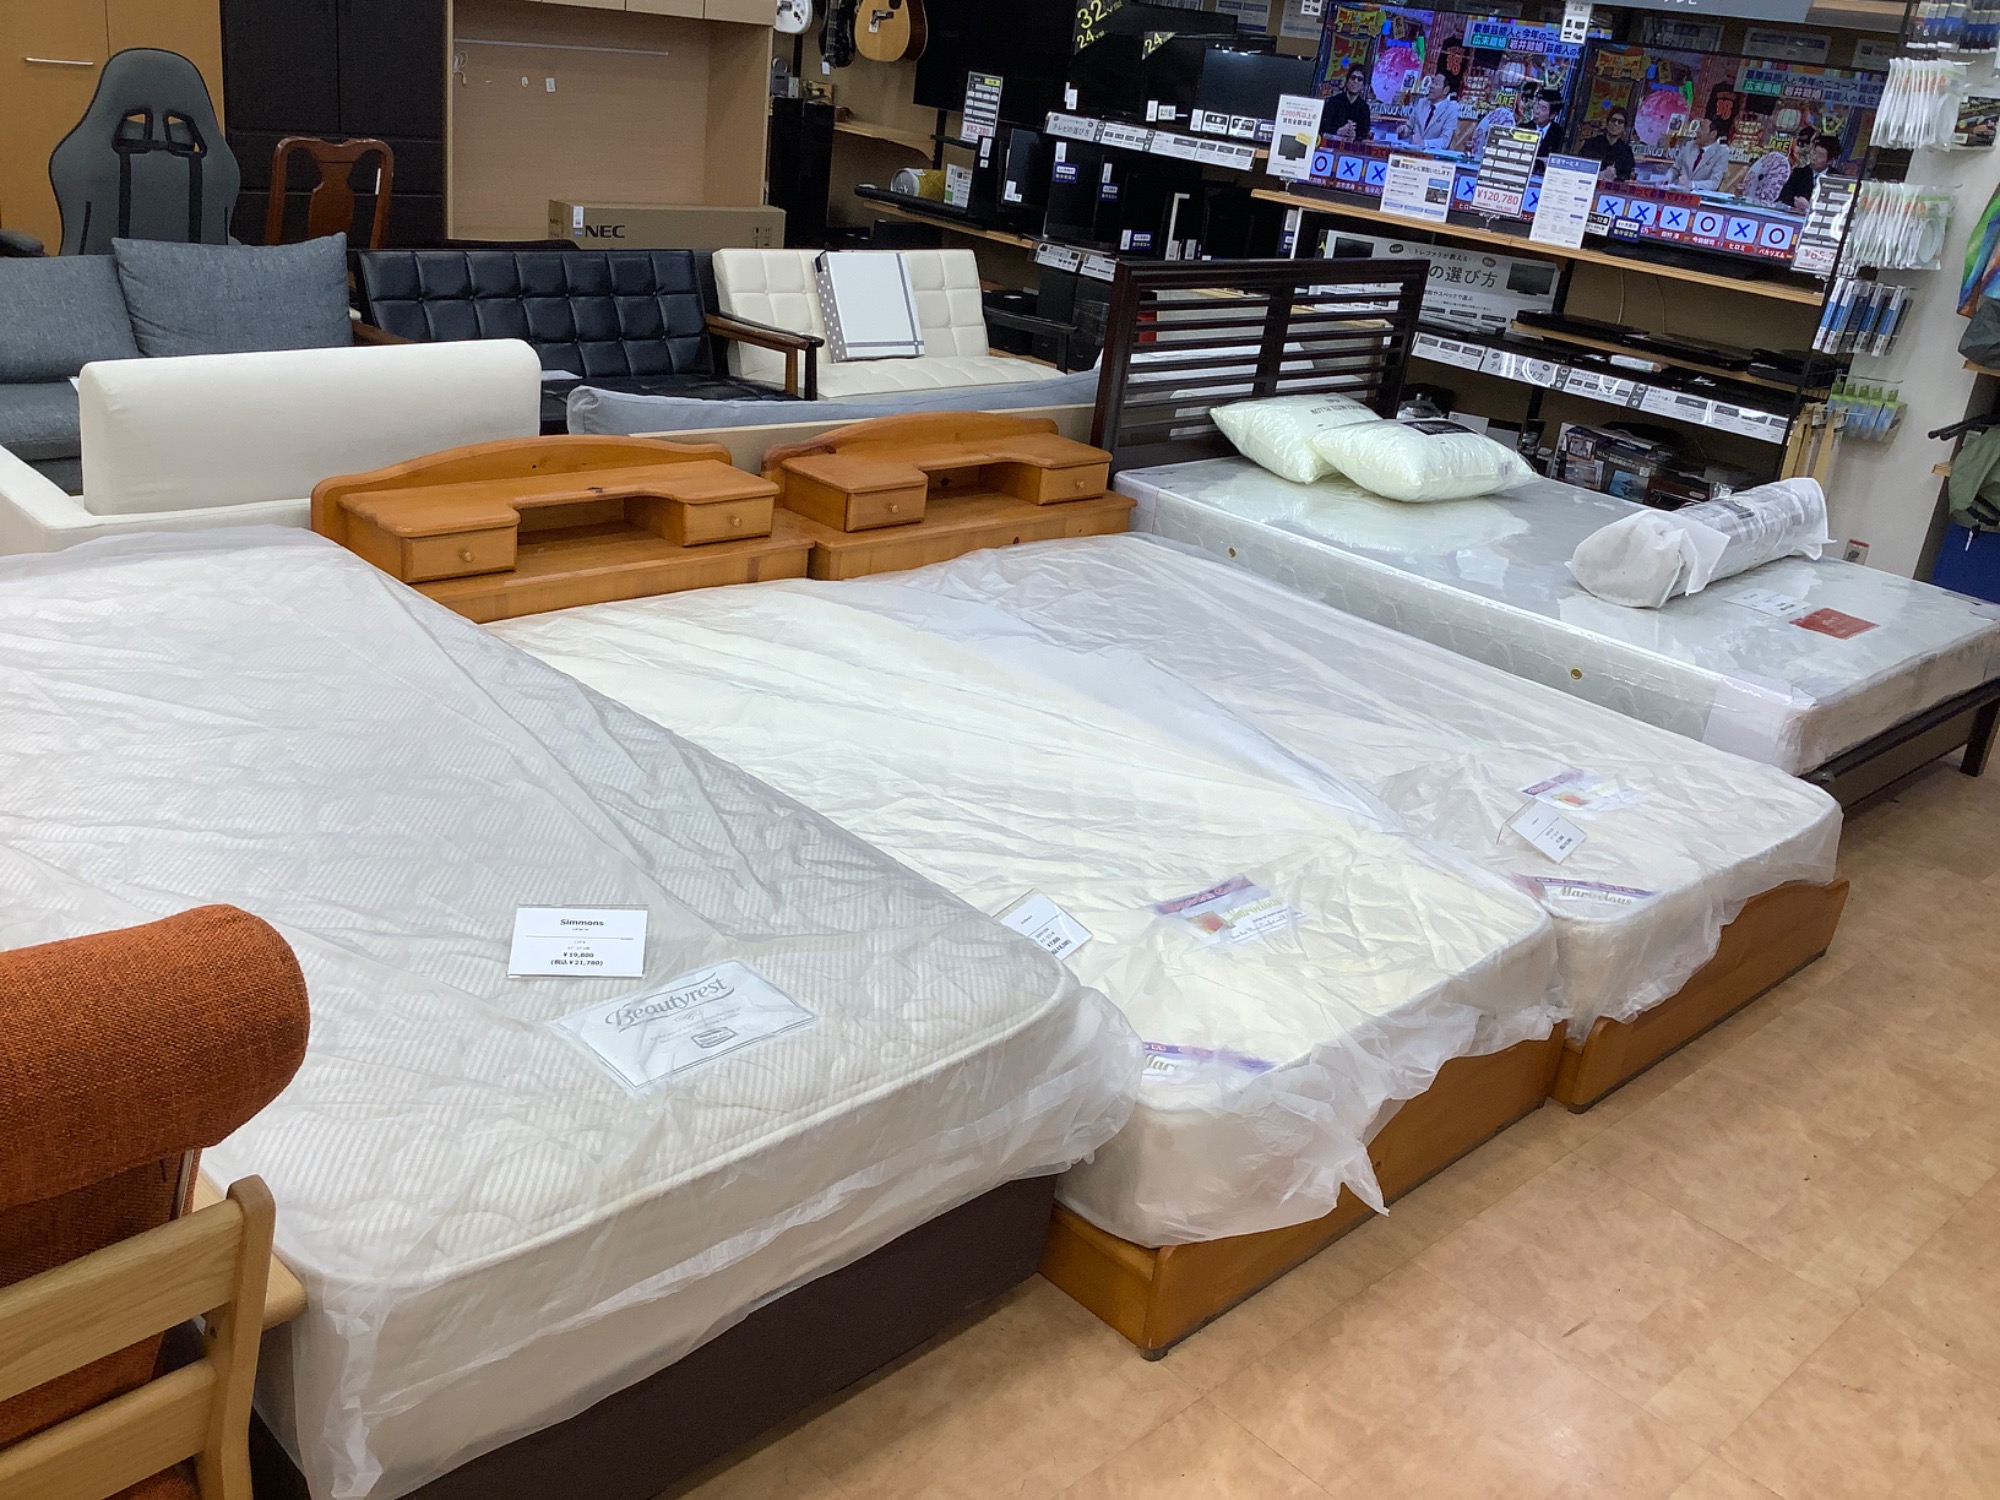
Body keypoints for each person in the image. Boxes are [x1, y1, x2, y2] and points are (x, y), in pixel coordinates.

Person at [1402, 71, 1460, 152]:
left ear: (1446, 90)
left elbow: (1444, 141)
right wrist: (1404, 130)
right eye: (1432, 82)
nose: (1431, 86)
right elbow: (1409, 126)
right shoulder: (1421, 103)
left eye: (1436, 84)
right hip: (1411, 153)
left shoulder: (1451, 109)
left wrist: (1424, 143)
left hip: (1432, 156)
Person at [1576, 105, 1636, 181]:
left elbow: (1627, 176)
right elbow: (1580, 166)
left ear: (1624, 127)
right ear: (1607, 123)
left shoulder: (1626, 151)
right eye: (1613, 120)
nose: (1616, 124)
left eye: (1620, 122)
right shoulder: (1591, 143)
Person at [1670, 116, 1729, 192]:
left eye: (1702, 128)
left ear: (1713, 134)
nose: (1697, 131)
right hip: (1679, 193)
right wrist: (1667, 179)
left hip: (1699, 196)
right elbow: (1674, 170)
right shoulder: (1689, 145)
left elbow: (1714, 183)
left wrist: (1692, 184)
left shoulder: (1721, 153)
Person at [1781, 137, 1832, 214]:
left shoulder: (1837, 179)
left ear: (1830, 161)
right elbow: (1783, 199)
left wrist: (1808, 208)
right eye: (1814, 152)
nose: (1814, 158)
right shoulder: (1798, 173)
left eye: (1820, 155)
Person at [1324, 65, 1372, 143]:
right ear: (1347, 81)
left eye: (1359, 79)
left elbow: (1364, 133)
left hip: (1352, 147)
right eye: (1353, 78)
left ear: (1363, 86)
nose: (1355, 81)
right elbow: (1323, 125)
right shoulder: (1334, 101)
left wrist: (1354, 135)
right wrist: (1339, 131)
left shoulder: (1364, 108)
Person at [1528, 88, 1564, 167]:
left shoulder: (1560, 135)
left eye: (1543, 108)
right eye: (1537, 106)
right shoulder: (1522, 128)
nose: (1537, 111)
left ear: (1552, 115)